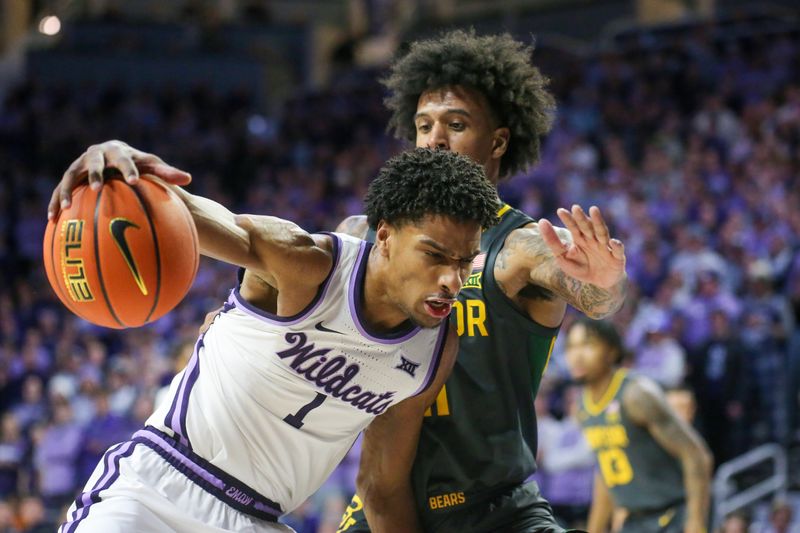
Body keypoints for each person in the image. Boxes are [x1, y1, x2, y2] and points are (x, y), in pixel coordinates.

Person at [47, 145, 500, 532]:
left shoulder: (433, 351)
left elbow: (382, 485)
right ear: (385, 235)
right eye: (435, 255)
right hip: (158, 488)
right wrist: (118, 172)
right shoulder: (303, 263)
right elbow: (190, 216)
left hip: (261, 520)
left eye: (464, 262)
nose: (452, 279)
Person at [331, 30, 628, 532]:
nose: (435, 139)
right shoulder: (362, 237)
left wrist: (605, 283)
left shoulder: (521, 247)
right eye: (423, 125)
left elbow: (598, 300)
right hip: (383, 502)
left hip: (497, 509)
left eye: (456, 123)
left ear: (497, 141)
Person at [564, 318, 713, 533]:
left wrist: (696, 523)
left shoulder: (636, 394)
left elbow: (697, 455)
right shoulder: (582, 407)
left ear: (612, 351)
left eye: (588, 345)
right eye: (571, 346)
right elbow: (605, 472)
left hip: (672, 517)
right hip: (634, 522)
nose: (577, 355)